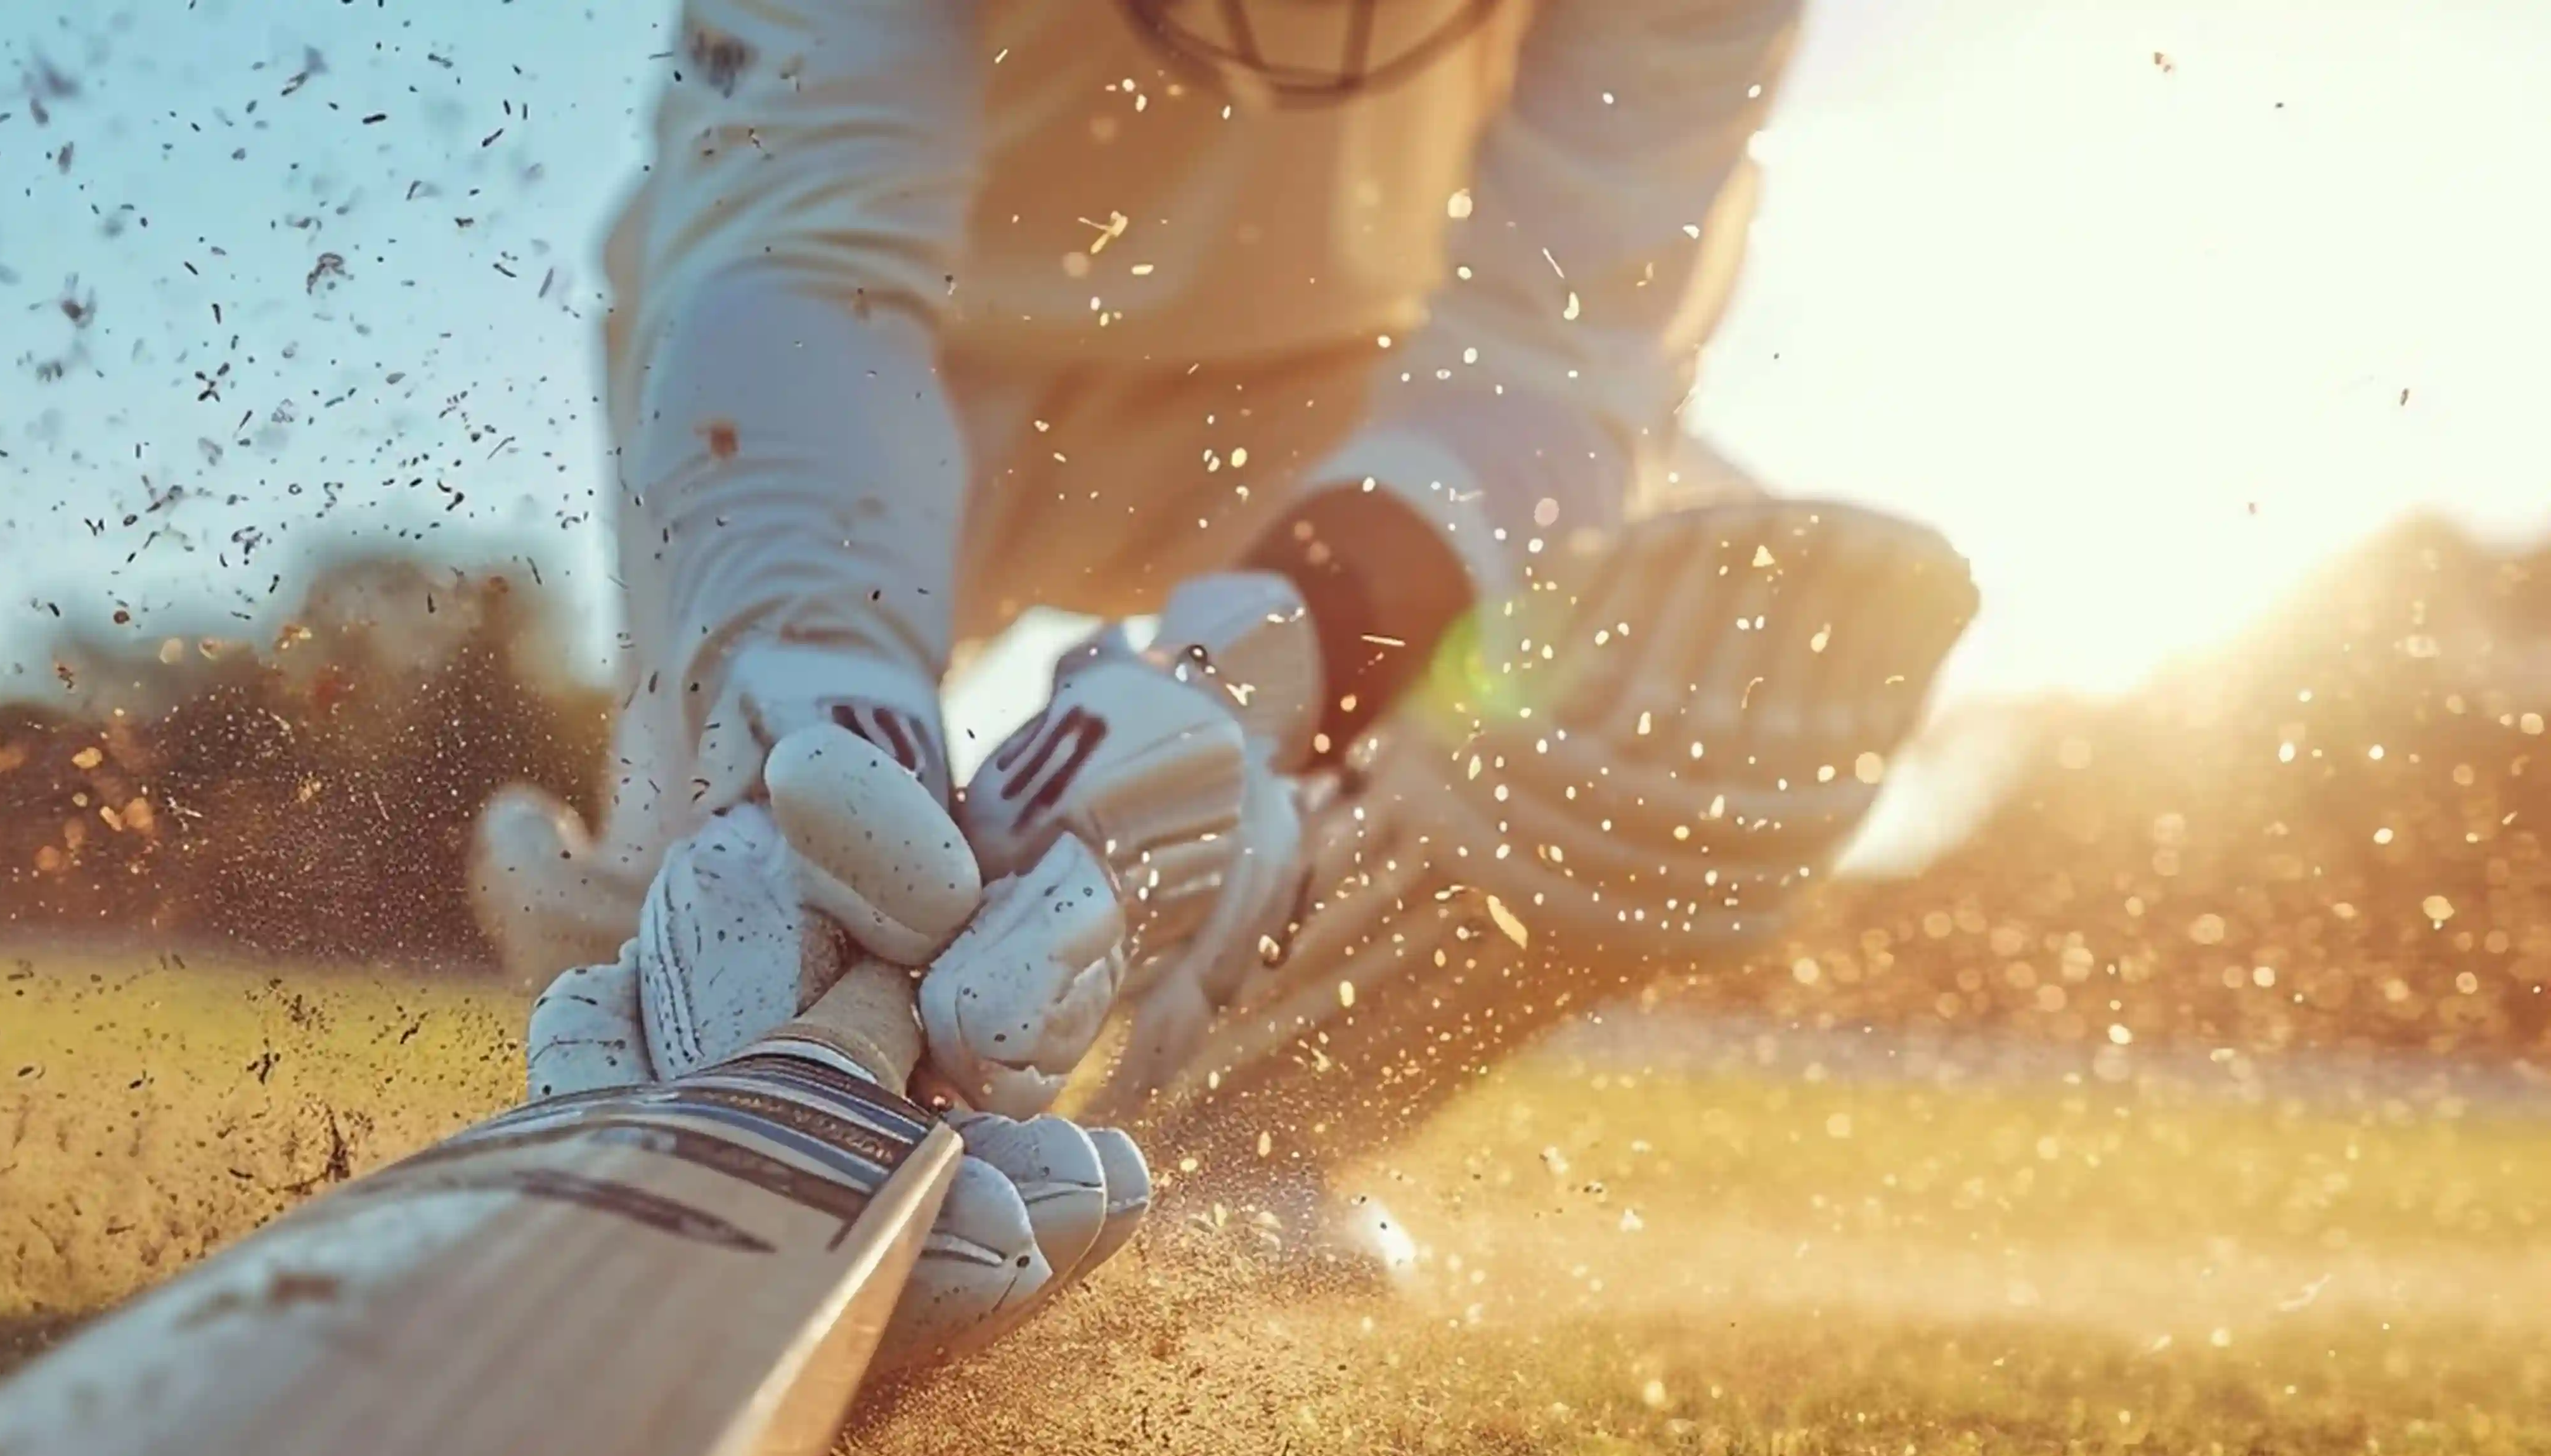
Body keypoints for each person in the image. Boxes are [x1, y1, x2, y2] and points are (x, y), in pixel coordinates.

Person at [474, 0, 1979, 1363]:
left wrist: (1253, 674)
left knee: (1769, 637)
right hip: (890, 349)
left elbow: (1549, 368)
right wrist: (813, 683)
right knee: (753, 893)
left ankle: (1221, 1166)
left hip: (1356, 407)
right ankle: (676, 941)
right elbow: (795, 261)